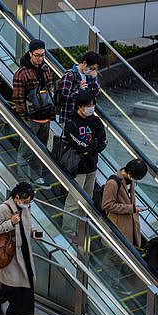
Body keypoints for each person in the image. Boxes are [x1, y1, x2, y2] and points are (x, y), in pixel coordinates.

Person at [0, 182, 38, 315]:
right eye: (25, 201)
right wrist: (11, 222)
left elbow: (27, 225)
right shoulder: (4, 208)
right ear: (17, 197)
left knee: (23, 283)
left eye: (29, 201)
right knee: (12, 284)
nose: (27, 204)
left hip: (23, 251)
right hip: (10, 253)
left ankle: (14, 311)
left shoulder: (25, 208)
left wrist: (33, 233)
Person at [58, 90, 107, 233]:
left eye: (93, 105)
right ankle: (68, 230)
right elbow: (77, 144)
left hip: (92, 165)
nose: (91, 108)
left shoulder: (95, 121)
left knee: (88, 199)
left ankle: (81, 228)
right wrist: (93, 146)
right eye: (88, 105)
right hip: (77, 167)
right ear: (80, 106)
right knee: (73, 201)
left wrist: (90, 148)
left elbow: (103, 141)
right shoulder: (71, 122)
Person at [11, 39, 55, 184]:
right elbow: (17, 97)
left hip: (45, 117)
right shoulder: (22, 73)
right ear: (30, 54)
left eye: (42, 55)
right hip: (31, 119)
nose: (40, 58)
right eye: (37, 55)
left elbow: (50, 91)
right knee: (25, 152)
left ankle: (37, 176)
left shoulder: (46, 69)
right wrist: (25, 117)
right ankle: (24, 180)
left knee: (41, 150)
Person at [101, 159, 148, 247]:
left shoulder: (130, 179)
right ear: (130, 173)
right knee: (114, 256)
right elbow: (107, 205)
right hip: (117, 226)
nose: (136, 180)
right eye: (136, 178)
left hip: (130, 224)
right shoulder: (113, 183)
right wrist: (132, 208)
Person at [56, 51, 101, 123]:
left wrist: (93, 81)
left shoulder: (90, 76)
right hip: (70, 118)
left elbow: (96, 93)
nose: (92, 71)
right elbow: (64, 97)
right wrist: (79, 91)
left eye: (94, 69)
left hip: (85, 118)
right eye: (91, 68)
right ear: (84, 63)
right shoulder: (70, 75)